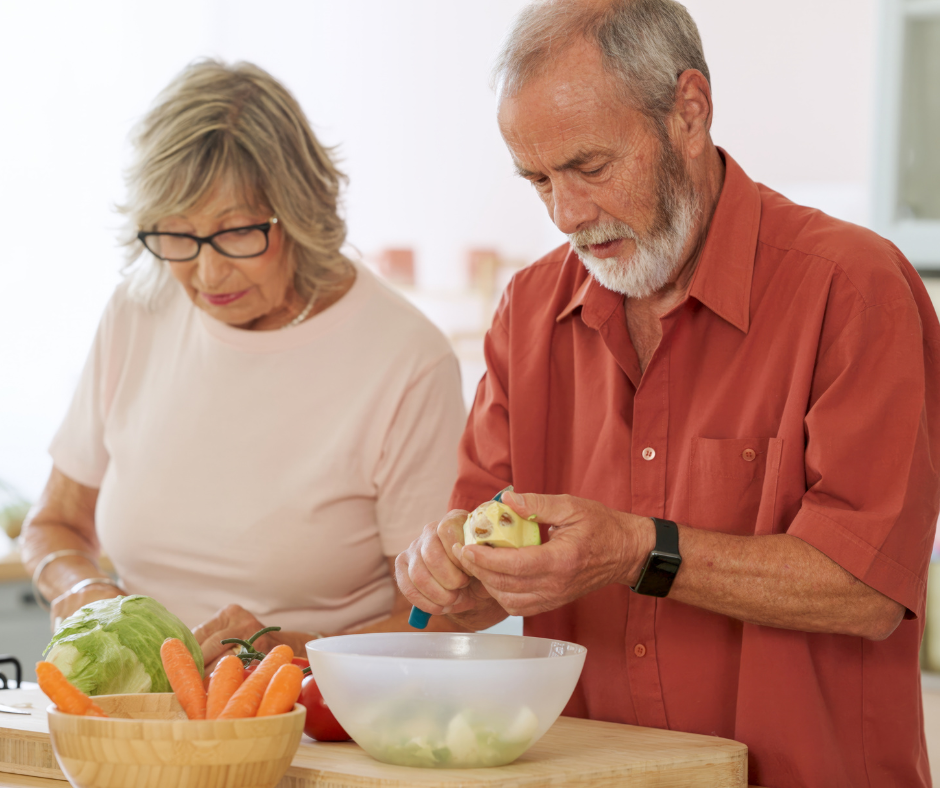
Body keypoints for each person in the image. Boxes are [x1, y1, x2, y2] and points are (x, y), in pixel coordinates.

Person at [395, 1, 940, 786]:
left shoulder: (852, 288)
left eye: (589, 167)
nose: (567, 214)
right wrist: (446, 572)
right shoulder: (527, 313)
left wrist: (635, 550)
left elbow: (865, 590)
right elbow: (474, 587)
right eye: (538, 180)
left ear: (689, 111)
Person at [21, 59, 468, 670]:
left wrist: (302, 655)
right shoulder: (140, 307)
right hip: (138, 714)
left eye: (235, 234)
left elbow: (435, 617)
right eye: (175, 235)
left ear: (302, 212)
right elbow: (56, 523)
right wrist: (82, 592)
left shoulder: (407, 360)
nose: (207, 274)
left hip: (309, 718)